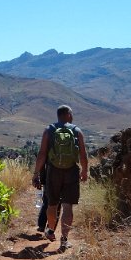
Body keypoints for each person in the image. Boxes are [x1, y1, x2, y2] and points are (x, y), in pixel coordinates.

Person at [32, 105, 88, 251]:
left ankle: (50, 231)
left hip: (53, 172)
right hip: (71, 172)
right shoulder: (77, 131)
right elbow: (83, 154)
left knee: (52, 205)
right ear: (69, 115)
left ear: (58, 116)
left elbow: (42, 154)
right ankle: (64, 240)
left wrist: (36, 173)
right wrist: (84, 171)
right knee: (67, 206)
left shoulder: (49, 130)